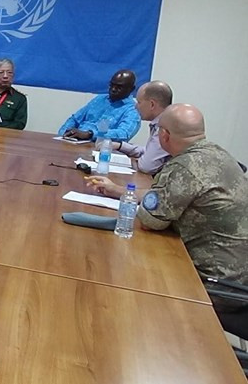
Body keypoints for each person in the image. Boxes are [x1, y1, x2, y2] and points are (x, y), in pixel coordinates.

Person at [85, 104, 248, 335]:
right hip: (240, 280)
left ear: (164, 135)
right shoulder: (218, 154)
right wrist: (119, 190)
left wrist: (139, 203)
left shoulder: (184, 166)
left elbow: (151, 220)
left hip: (214, 285)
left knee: (123, 272)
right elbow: (170, 198)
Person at [57, 69, 140, 142]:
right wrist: (63, 134)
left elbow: (124, 134)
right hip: (73, 142)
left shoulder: (132, 110)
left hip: (100, 148)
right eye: (112, 85)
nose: (113, 89)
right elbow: (75, 119)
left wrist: (90, 134)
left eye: (119, 87)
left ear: (132, 89)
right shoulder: (99, 99)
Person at [111, 81, 173, 174]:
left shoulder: (165, 126)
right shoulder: (163, 120)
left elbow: (147, 166)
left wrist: (137, 161)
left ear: (152, 104)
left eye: (139, 102)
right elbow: (150, 151)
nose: (136, 107)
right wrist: (120, 146)